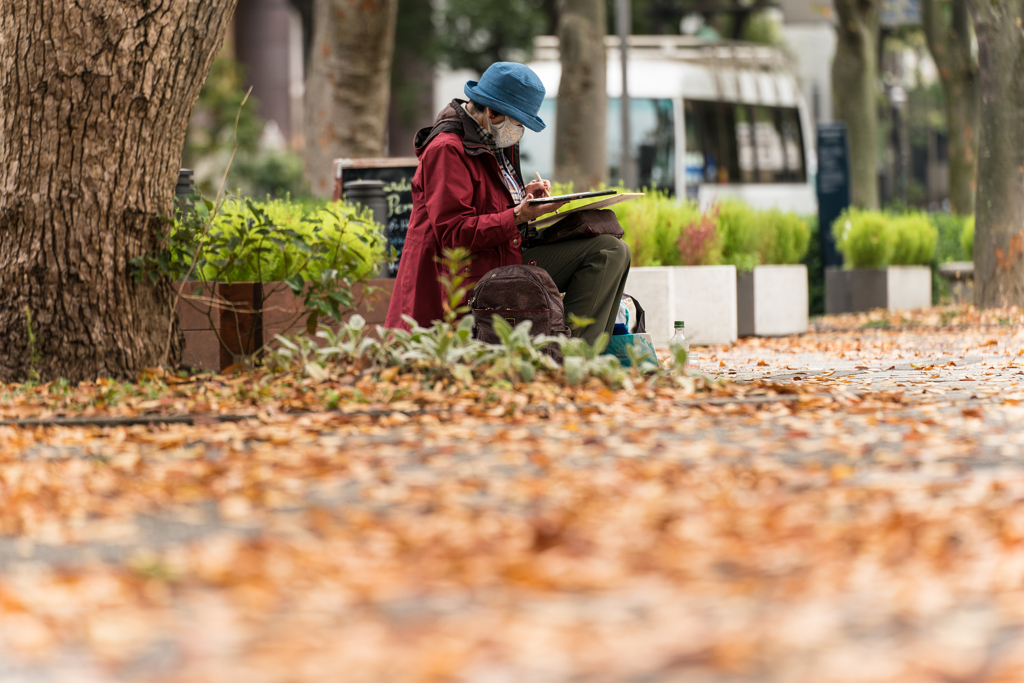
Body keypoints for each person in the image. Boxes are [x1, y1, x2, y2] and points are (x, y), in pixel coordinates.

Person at [384, 62, 631, 344]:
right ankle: (570, 358)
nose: (520, 130)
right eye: (518, 122)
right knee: (607, 252)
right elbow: (454, 234)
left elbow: (487, 204)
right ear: (492, 112)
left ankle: (579, 354)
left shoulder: (493, 138)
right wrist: (517, 215)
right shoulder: (446, 149)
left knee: (613, 250)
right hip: (466, 274)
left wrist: (524, 198)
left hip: (501, 255)